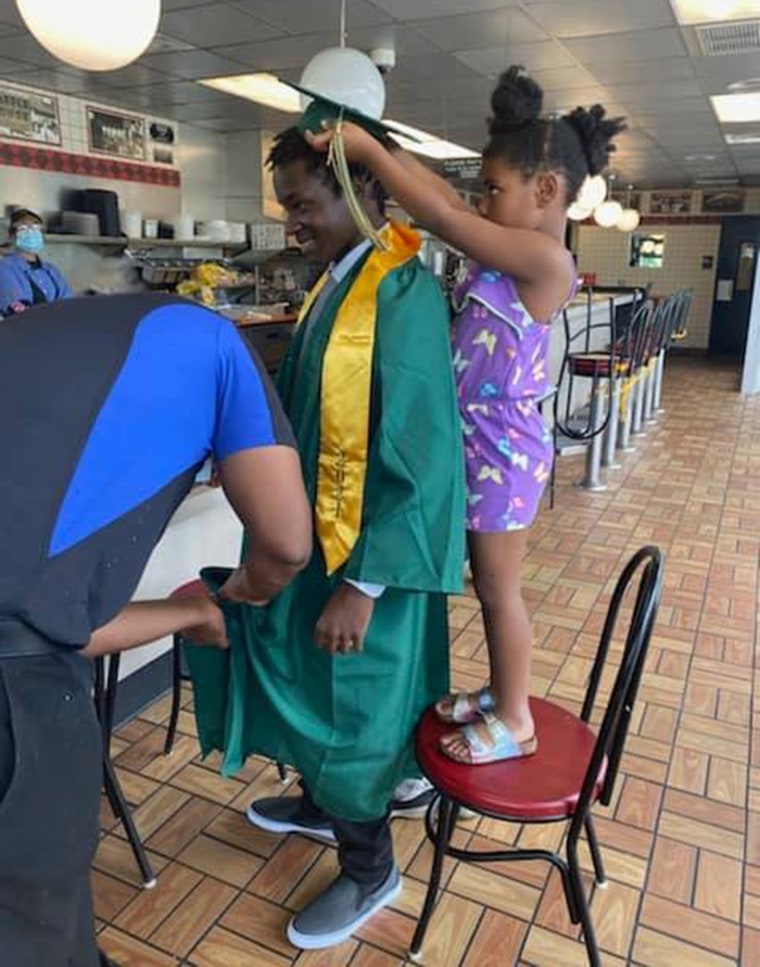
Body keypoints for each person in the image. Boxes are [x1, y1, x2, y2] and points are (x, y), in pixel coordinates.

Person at [184, 117, 465, 950]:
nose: (293, 224)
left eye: (304, 204)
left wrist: (365, 583)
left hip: (367, 563)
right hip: (321, 544)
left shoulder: (399, 290)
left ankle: (371, 864)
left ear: (362, 190)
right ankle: (320, 800)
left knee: (358, 712)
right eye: (286, 208)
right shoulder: (335, 284)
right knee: (313, 687)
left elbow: (420, 453)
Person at [309, 66, 625, 765]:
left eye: (495, 188)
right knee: (487, 586)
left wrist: (368, 153)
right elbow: (448, 200)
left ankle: (517, 716)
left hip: (503, 454)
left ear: (545, 191)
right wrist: (389, 147)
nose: (481, 200)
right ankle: (498, 692)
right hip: (476, 447)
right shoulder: (504, 248)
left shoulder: (547, 262)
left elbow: (444, 215)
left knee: (498, 587)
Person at [0, 292, 312, 967]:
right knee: (37, 932)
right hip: (16, 706)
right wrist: (239, 594)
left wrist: (194, 614)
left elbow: (52, 626)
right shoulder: (223, 349)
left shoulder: (42, 340)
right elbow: (287, 546)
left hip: (23, 659)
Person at [0, 208, 71, 315]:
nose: (31, 232)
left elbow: (68, 304)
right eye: (23, 228)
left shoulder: (51, 270)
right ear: (12, 236)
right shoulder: (5, 268)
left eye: (35, 227)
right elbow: (17, 308)